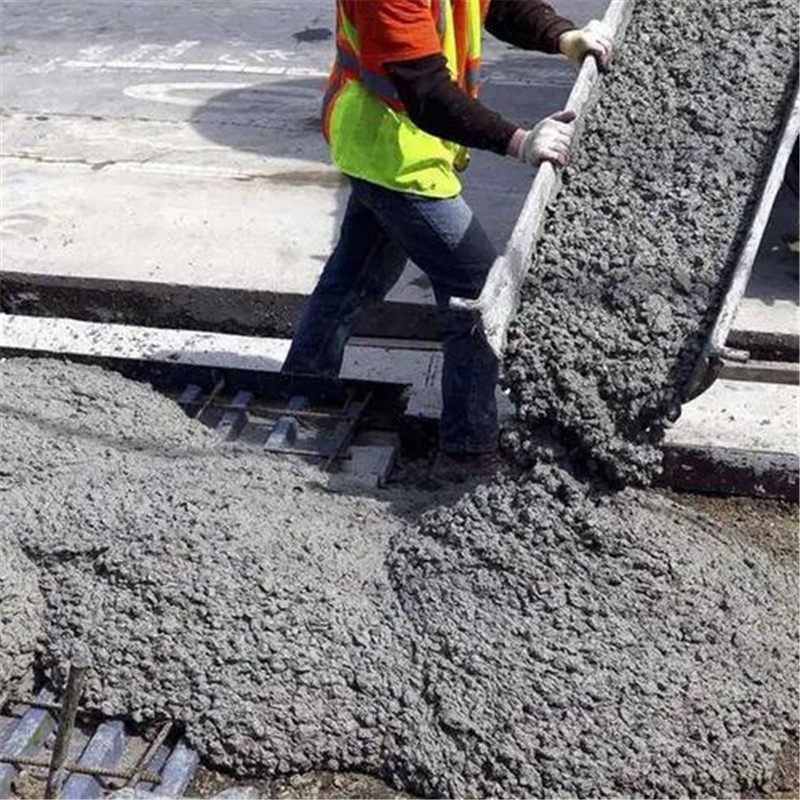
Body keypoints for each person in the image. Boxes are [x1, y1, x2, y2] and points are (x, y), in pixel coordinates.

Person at [282, 0, 614, 477]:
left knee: (356, 275)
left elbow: (497, 4)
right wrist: (519, 141)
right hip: (390, 150)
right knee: (478, 288)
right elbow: (425, 90)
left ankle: (299, 391)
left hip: (399, 142)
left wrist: (563, 37)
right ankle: (466, 453)